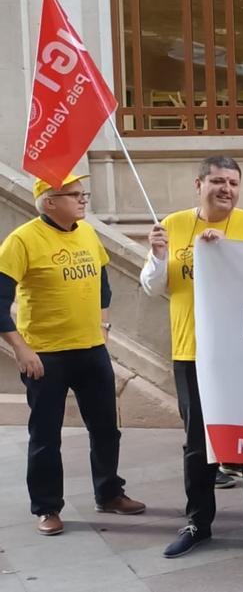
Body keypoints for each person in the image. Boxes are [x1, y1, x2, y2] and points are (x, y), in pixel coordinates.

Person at [140, 156, 243, 558]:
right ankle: (198, 522)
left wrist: (229, 257)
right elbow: (154, 287)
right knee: (196, 444)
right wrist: (155, 255)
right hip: (191, 351)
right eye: (218, 181)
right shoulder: (173, 224)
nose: (227, 189)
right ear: (198, 184)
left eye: (234, 183)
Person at [0, 173, 145, 536]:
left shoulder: (87, 232)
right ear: (49, 202)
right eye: (75, 195)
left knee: (106, 429)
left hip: (92, 351)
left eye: (85, 194)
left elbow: (103, 284)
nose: (83, 200)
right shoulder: (21, 241)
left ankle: (110, 493)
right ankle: (47, 507)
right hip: (46, 356)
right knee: (46, 435)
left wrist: (104, 325)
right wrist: (21, 349)